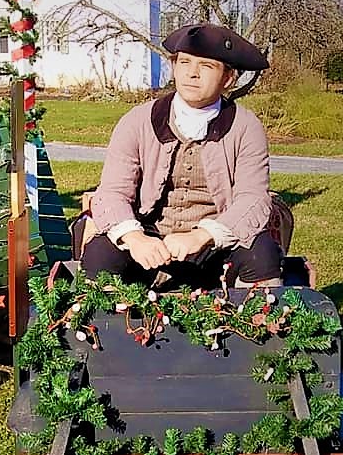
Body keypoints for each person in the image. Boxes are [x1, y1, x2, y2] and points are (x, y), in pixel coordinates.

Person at [81, 23, 282, 289]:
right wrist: (134, 237)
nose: (192, 74)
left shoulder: (246, 127)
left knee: (261, 254)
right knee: (100, 255)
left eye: (207, 66)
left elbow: (253, 198)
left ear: (229, 78)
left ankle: (251, 326)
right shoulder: (137, 121)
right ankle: (108, 328)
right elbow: (112, 192)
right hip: (148, 238)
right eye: (184, 62)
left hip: (215, 245)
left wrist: (202, 235)